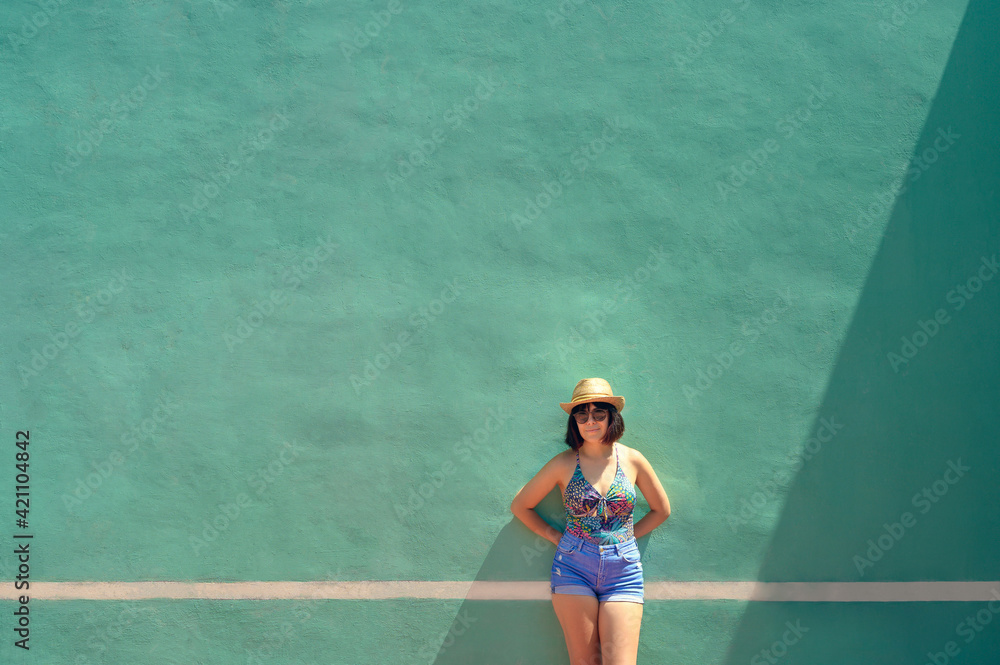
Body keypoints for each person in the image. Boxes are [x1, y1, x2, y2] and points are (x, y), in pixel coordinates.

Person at [511, 378, 670, 665]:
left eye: (599, 413)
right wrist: (556, 537)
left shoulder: (633, 460)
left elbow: (661, 509)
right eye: (582, 415)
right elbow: (522, 506)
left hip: (623, 571)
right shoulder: (563, 463)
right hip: (573, 567)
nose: (591, 421)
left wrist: (629, 538)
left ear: (612, 417)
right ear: (575, 422)